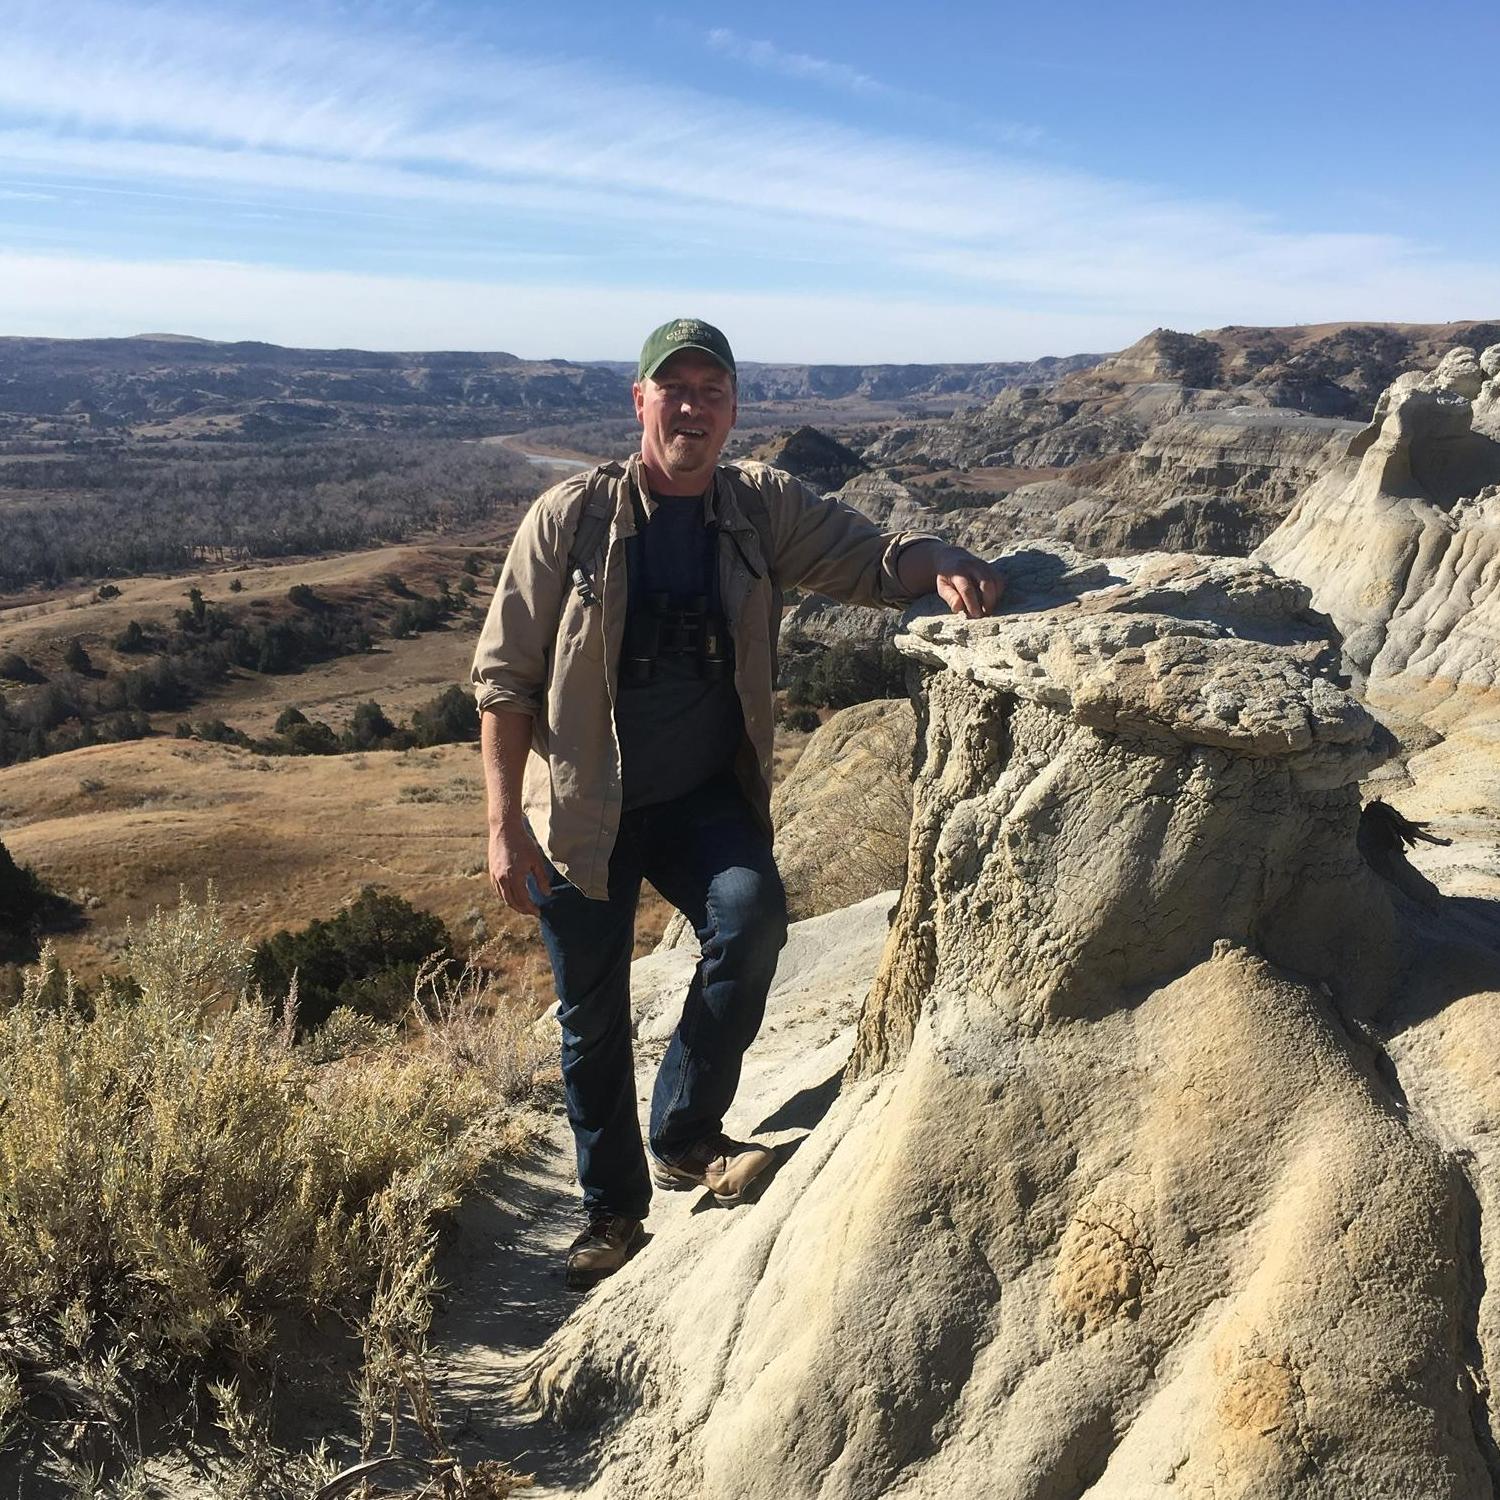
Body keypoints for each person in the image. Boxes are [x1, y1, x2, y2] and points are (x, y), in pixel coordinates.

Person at [471, 318, 1003, 1289]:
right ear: (639, 403)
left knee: (752, 917)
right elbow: (504, 681)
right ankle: (610, 1214)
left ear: (732, 410)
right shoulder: (570, 519)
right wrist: (504, 824)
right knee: (591, 1017)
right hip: (584, 810)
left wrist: (944, 557)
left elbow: (876, 563)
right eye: (672, 388)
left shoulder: (759, 508)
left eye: (711, 390)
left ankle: (684, 1133)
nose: (692, 405)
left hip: (700, 800)